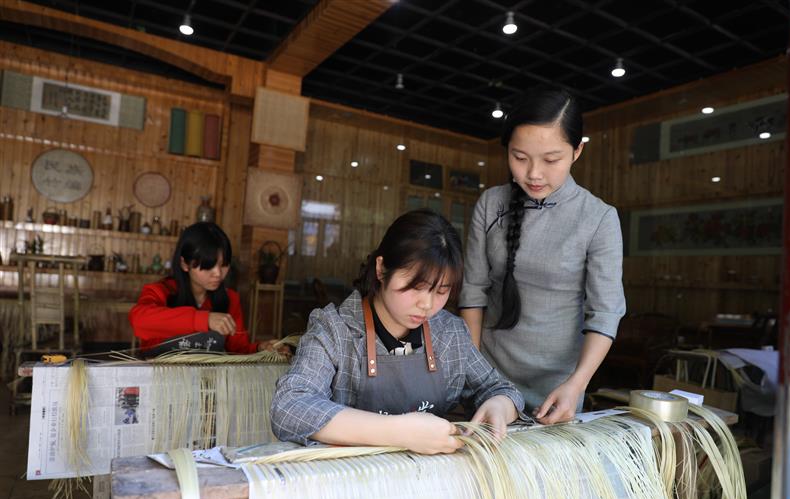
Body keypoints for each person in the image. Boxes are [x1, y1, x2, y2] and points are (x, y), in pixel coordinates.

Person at [270, 209, 527, 455]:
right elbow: (290, 407)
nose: (427, 305)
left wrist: (500, 406)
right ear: (382, 270)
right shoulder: (335, 329)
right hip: (352, 484)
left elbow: (502, 390)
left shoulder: (448, 333)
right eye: (416, 287)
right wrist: (400, 432)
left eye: (441, 291)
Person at [460, 88, 626, 425]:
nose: (534, 173)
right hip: (489, 378)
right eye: (519, 157)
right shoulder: (492, 204)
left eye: (551, 160)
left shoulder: (598, 218)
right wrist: (473, 371)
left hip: (558, 390)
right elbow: (473, 293)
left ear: (577, 151)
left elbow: (605, 313)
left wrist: (576, 385)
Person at [129, 222, 275, 354]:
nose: (218, 273)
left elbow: (238, 350)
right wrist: (204, 320)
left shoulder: (230, 299)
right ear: (185, 264)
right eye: (208, 266)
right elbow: (138, 320)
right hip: (159, 379)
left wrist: (260, 349)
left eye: (224, 264)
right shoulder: (160, 291)